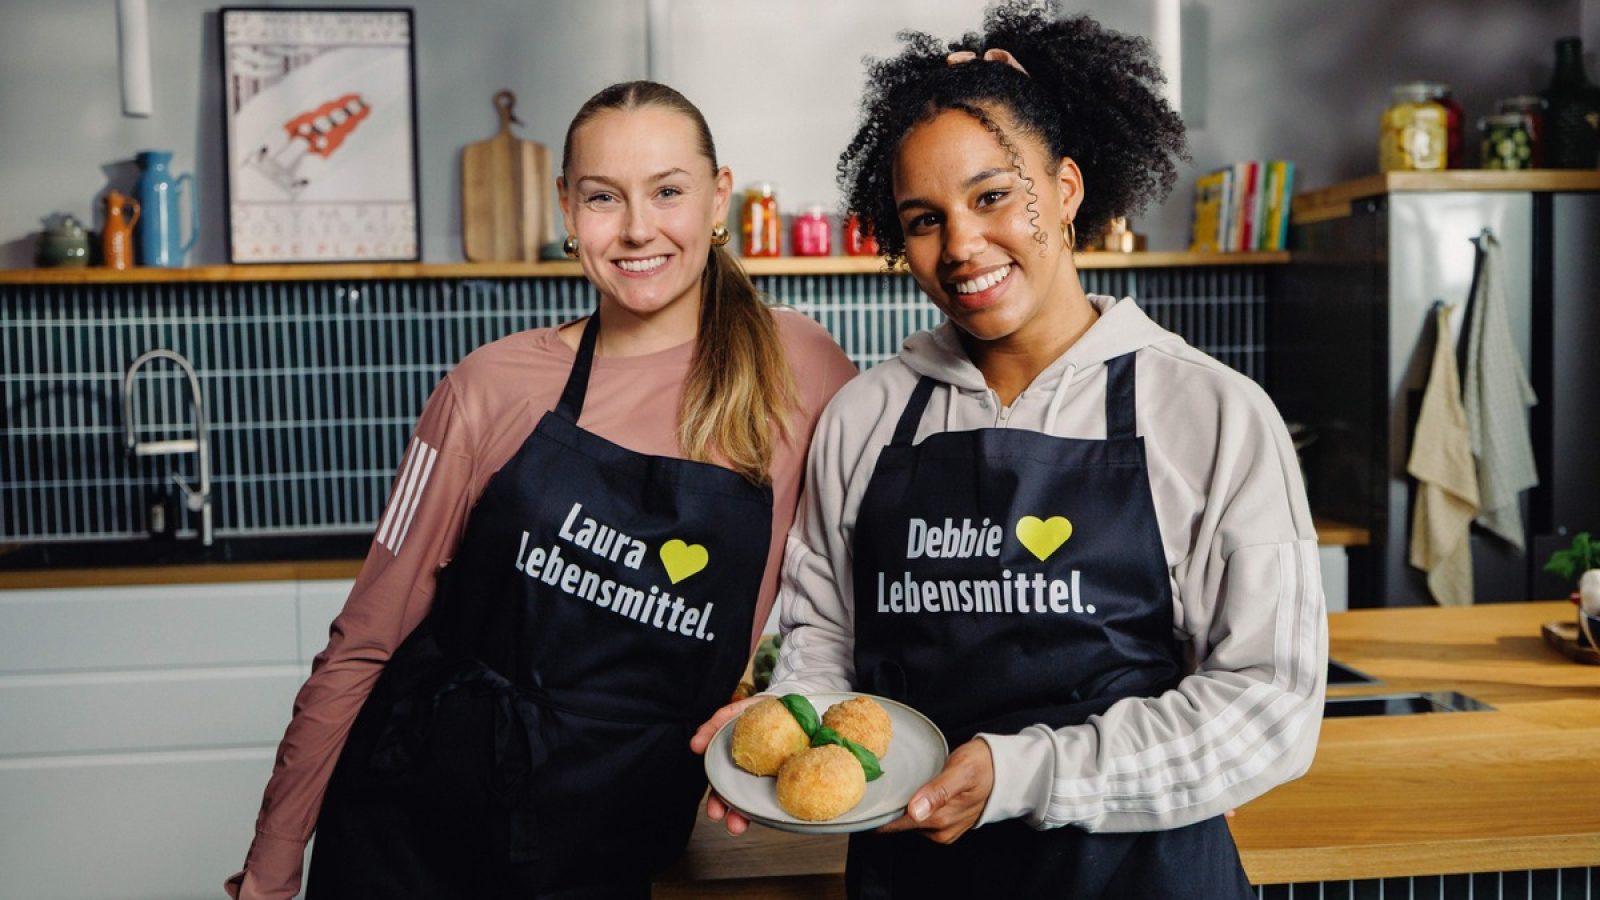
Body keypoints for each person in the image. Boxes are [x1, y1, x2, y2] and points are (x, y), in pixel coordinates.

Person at [691, 4, 1327, 897]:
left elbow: (1270, 709)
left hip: (1138, 876)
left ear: (1065, 190)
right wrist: (788, 725)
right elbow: (823, 641)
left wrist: (1024, 773)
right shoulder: (867, 416)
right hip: (915, 874)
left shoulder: (1209, 414)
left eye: (993, 196)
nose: (961, 246)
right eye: (922, 219)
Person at [226, 80, 857, 900]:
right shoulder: (490, 387)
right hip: (412, 831)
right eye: (603, 197)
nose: (637, 228)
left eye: (667, 191)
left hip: (615, 840)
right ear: (566, 208)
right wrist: (270, 870)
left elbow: (847, 588)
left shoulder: (801, 370)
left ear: (717, 199)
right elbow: (363, 645)